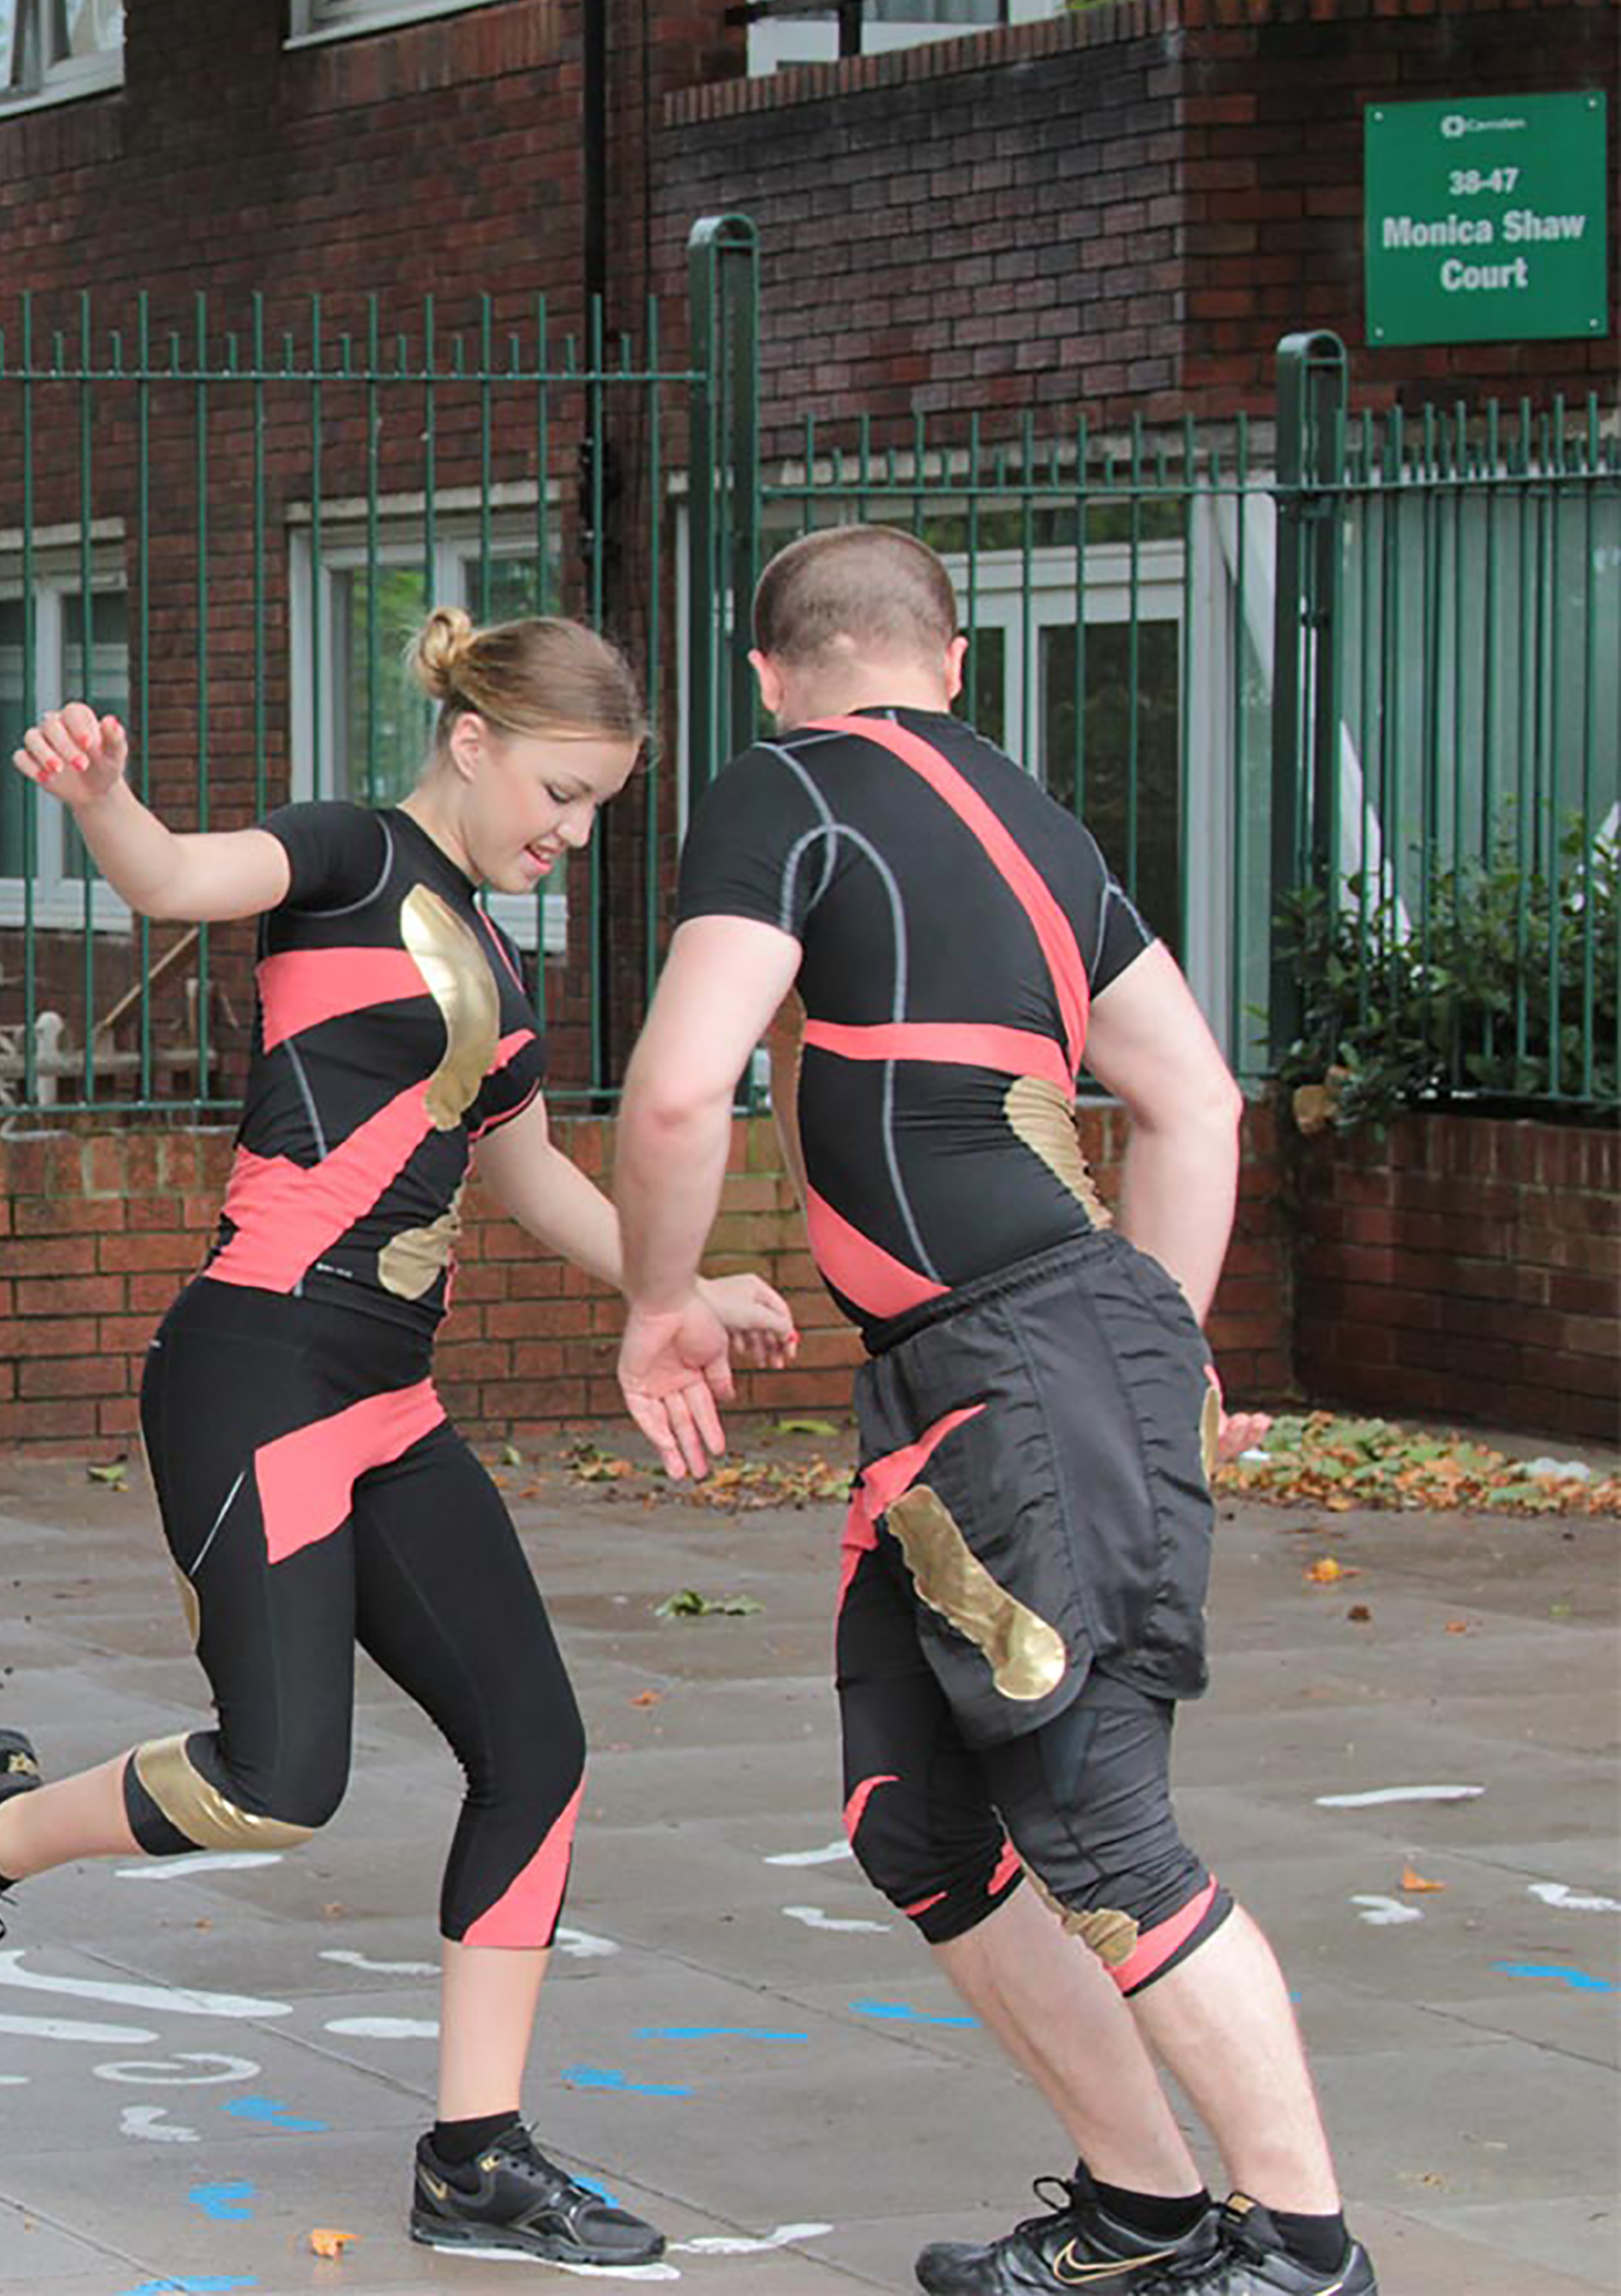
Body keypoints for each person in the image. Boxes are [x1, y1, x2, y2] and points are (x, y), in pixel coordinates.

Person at [0, 611, 799, 2273]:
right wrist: (98, 800)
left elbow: (527, 1175)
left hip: (391, 1403)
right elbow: (169, 878)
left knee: (538, 1753)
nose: (570, 834)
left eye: (596, 812)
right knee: (277, 1786)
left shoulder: (501, 960)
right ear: (474, 740)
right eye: (561, 794)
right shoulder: (348, 855)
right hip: (259, 1376)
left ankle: (477, 2159)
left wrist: (681, 1281)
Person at [611, 524, 1363, 2296]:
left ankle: (1309, 2253)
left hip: (1008, 1365)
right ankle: (1144, 2211)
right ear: (955, 667)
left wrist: (659, 1303)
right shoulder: (1035, 819)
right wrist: (1161, 1362)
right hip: (1006, 1368)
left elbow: (673, 1093)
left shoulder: (782, 788)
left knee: (1102, 1826)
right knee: (919, 1821)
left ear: (772, 673)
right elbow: (1196, 1105)